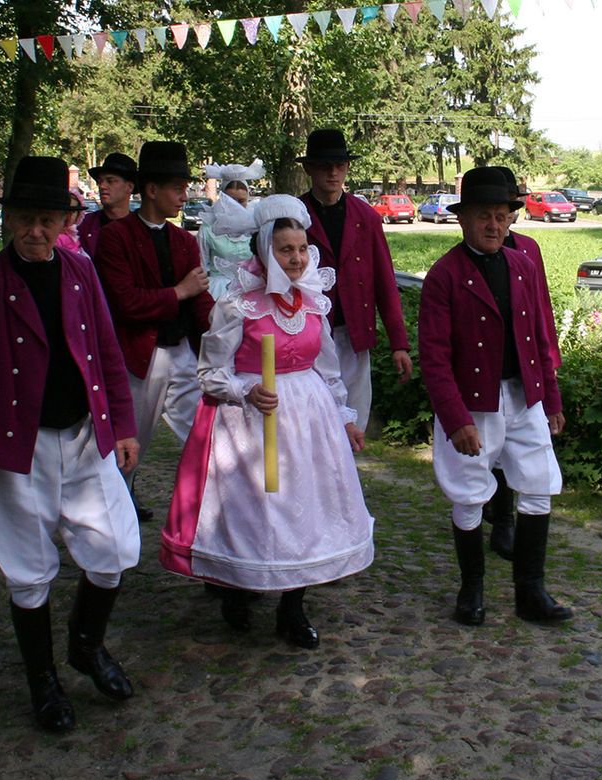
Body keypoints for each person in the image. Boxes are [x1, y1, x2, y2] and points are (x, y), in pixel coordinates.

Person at [0, 155, 141, 734]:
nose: (36, 231)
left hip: (84, 436)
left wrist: (122, 423)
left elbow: (107, 352)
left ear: (66, 220)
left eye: (48, 219)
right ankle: (42, 681)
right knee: (28, 570)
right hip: (17, 452)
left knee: (116, 550)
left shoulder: (81, 273)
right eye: (25, 218)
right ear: (9, 218)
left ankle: (86, 647)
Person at [160, 195, 374, 649]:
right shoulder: (238, 307)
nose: (296, 259)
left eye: (301, 249)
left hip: (308, 421)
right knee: (253, 512)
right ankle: (238, 587)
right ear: (263, 251)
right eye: (284, 250)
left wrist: (345, 418)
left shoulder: (314, 304)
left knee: (305, 510)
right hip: (249, 423)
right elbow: (209, 374)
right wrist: (245, 390)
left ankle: (293, 608)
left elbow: (330, 372)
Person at [416, 166, 572, 627]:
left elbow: (541, 336)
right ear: (463, 219)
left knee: (539, 485)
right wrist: (454, 417)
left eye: (502, 216)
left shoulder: (523, 265)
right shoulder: (445, 275)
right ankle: (473, 588)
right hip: (473, 404)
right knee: (468, 495)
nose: (494, 225)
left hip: (525, 398)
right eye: (484, 216)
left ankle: (531, 591)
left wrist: (553, 398)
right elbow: (435, 357)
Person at [95, 141, 214, 522]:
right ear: (151, 190)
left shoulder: (184, 240)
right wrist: (178, 292)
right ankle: (109, 524)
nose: (184, 195)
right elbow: (124, 302)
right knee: (128, 450)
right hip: (137, 358)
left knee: (207, 438)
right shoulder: (115, 237)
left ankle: (210, 517)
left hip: (182, 353)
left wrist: (231, 327)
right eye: (177, 188)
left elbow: (200, 305)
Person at [297, 129, 413, 431]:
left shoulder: (367, 217)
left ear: (348, 167)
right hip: (306, 331)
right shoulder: (295, 216)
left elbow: (385, 283)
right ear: (309, 168)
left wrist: (399, 343)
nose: (333, 172)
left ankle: (346, 475)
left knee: (354, 415)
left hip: (354, 331)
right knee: (310, 415)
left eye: (339, 165)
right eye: (324, 165)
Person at [479, 166, 563, 563]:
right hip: (486, 372)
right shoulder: (472, 250)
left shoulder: (527, 250)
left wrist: (549, 367)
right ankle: (497, 515)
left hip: (523, 365)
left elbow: (540, 309)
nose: (502, 218)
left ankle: (508, 521)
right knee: (492, 449)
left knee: (527, 452)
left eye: (508, 208)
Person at [199, 159, 265, 299]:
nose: (236, 206)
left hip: (252, 289)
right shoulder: (208, 228)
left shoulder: (257, 227)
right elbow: (201, 267)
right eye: (230, 201)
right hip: (217, 291)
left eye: (241, 201)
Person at [77, 152, 137, 259]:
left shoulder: (141, 231)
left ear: (129, 187)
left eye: (110, 181)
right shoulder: (83, 226)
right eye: (100, 181)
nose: (102, 186)